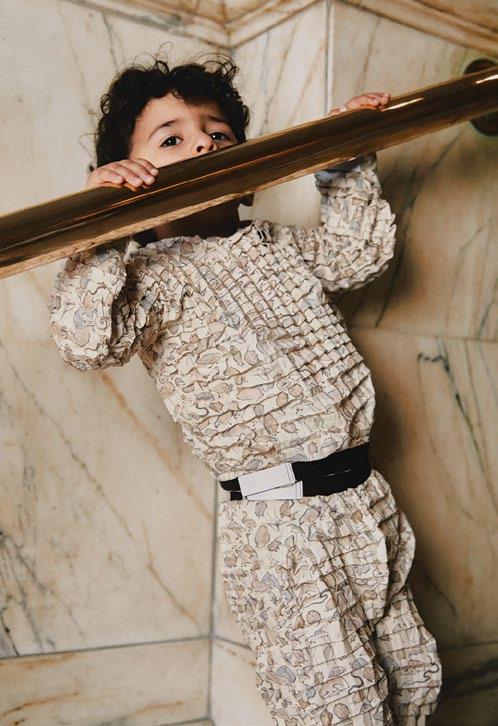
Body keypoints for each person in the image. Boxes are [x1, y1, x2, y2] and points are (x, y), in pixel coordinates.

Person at [47, 53, 442, 724]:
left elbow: (359, 254)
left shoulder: (278, 245)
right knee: (339, 707)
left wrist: (344, 156)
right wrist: (100, 225)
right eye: (171, 139)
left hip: (365, 500)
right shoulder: (148, 278)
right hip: (281, 529)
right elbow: (87, 341)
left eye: (218, 134)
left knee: (412, 679)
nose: (203, 144)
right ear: (130, 180)